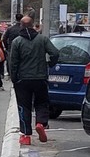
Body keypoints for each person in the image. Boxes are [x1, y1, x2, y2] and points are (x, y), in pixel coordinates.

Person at [9, 16, 59, 145]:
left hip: (23, 79)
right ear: (33, 25)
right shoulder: (42, 39)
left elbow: (13, 62)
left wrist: (14, 78)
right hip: (40, 77)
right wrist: (49, 64)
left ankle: (26, 135)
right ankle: (41, 123)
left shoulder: (17, 41)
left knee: (24, 106)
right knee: (42, 102)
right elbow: (54, 53)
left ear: (21, 25)